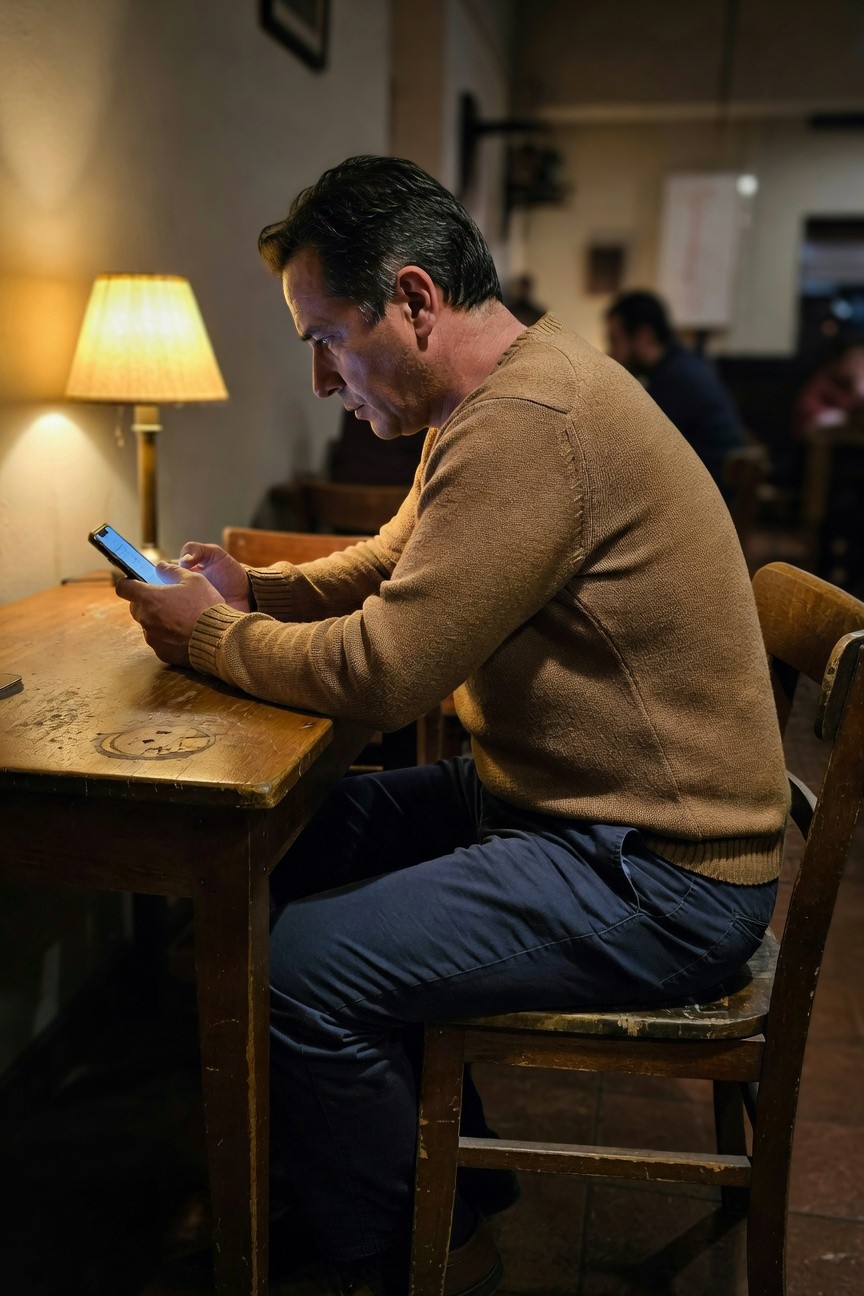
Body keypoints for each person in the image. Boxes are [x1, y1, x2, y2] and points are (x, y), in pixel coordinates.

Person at [117, 156, 789, 1296]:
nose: (323, 380)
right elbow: (395, 564)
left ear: (416, 300)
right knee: (292, 845)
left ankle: (399, 1256)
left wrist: (208, 637)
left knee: (303, 971)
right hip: (569, 806)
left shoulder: (529, 422)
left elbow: (385, 672)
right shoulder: (502, 393)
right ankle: (426, 1180)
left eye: (327, 339)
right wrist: (254, 588)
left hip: (661, 871)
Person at [605, 289, 748, 490]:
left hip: (707, 496)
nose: (610, 353)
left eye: (615, 340)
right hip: (711, 489)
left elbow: (638, 449)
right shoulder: (682, 365)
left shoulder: (677, 379)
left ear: (645, 336)